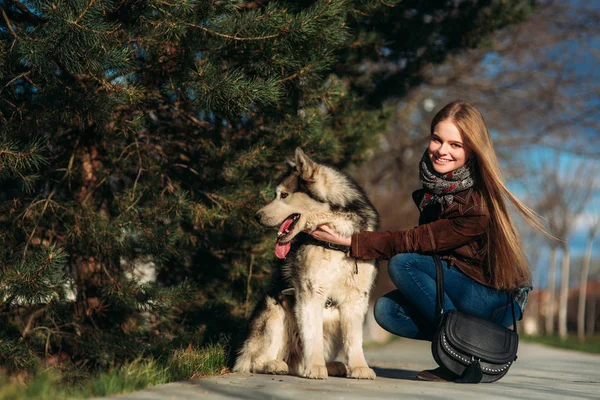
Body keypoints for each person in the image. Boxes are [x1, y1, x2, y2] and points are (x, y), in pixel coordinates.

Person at [307, 100, 544, 382]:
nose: (442, 150)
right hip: (464, 287)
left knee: (404, 264)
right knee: (387, 310)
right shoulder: (439, 190)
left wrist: (352, 242)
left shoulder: (475, 204)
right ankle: (466, 350)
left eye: (455, 144)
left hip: (494, 300)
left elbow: (417, 241)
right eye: (437, 139)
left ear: (472, 151)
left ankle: (459, 357)